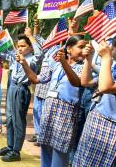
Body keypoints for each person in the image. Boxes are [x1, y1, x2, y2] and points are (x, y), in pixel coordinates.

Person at [18, 35, 86, 166]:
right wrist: (24, 64)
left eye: (85, 47)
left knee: (60, 150)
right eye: (80, 47)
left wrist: (64, 62)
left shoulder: (83, 66)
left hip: (66, 112)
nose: (84, 51)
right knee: (45, 146)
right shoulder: (57, 65)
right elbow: (36, 79)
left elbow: (76, 82)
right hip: (49, 109)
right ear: (69, 49)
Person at [0, 28, 43, 162]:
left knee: (18, 121)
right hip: (12, 87)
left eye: (23, 46)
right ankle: (10, 146)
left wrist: (31, 36)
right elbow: (1, 53)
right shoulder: (15, 56)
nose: (20, 48)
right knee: (9, 119)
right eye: (18, 46)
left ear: (30, 48)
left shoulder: (32, 59)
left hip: (21, 90)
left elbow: (40, 54)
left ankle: (16, 150)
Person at [73, 37, 116, 166]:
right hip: (97, 120)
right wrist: (88, 58)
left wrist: (106, 58)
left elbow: (105, 87)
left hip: (111, 127)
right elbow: (86, 82)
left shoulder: (109, 63)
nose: (109, 48)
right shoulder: (114, 68)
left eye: (112, 46)